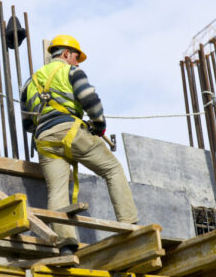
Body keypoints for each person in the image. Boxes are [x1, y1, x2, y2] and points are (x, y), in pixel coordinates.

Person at [20, 34, 138, 254]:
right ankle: (129, 225)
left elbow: (27, 123)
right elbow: (90, 100)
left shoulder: (29, 83)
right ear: (65, 54)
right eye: (76, 57)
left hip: (44, 140)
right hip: (71, 132)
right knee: (113, 169)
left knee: (56, 191)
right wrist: (99, 125)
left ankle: (65, 245)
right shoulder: (71, 71)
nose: (77, 62)